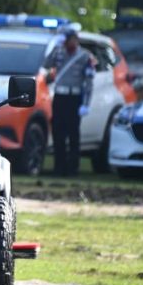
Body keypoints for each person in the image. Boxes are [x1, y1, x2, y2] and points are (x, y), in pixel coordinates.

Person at [43, 28, 96, 177]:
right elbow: (47, 64)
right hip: (60, 96)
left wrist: (86, 103)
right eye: (67, 40)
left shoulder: (85, 56)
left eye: (72, 39)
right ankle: (59, 167)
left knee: (73, 135)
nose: (69, 43)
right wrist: (55, 48)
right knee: (58, 133)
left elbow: (89, 82)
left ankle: (73, 168)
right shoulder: (59, 52)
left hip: (74, 97)